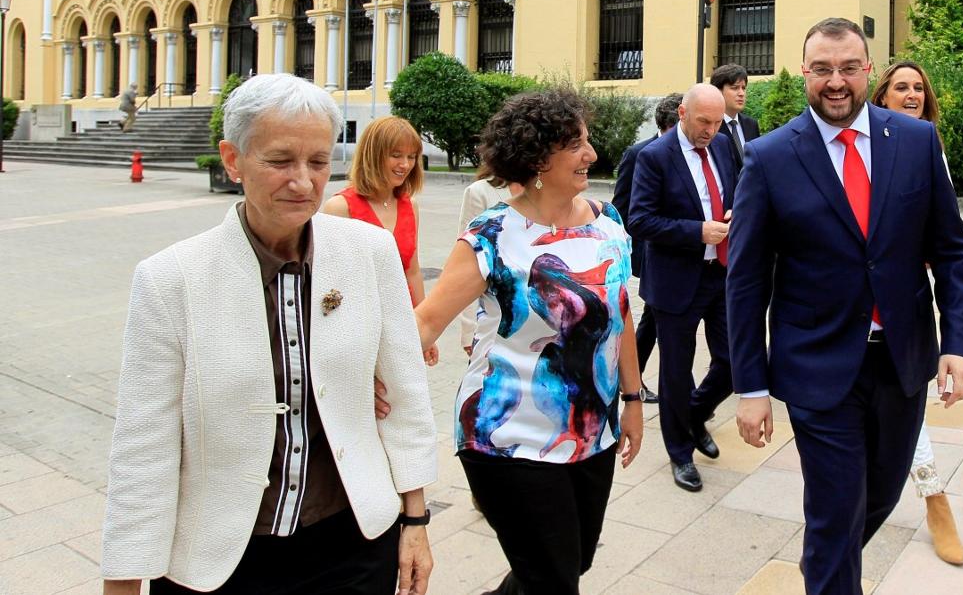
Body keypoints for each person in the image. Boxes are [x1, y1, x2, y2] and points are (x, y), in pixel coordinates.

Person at [101, 74, 439, 595]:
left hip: (351, 541)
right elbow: (144, 445)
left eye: (319, 162)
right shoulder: (172, 279)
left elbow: (406, 396)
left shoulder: (369, 253)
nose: (303, 182)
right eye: (280, 161)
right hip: (223, 559)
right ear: (233, 160)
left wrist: (415, 522)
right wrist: (123, 582)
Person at [728, 18, 963, 595]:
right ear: (803, 74)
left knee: (883, 494)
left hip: (902, 362)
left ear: (868, 70)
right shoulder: (769, 158)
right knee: (837, 509)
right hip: (817, 365)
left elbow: (954, 251)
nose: (835, 82)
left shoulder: (915, 143)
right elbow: (745, 284)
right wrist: (751, 387)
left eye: (847, 68)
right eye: (822, 69)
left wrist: (958, 345)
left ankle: (823, 567)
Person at [412, 88, 644, 595]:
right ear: (540, 159)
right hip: (506, 437)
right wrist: (366, 376)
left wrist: (632, 399)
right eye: (577, 145)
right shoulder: (493, 233)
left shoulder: (607, 220)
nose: (592, 155)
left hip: (591, 430)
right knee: (554, 580)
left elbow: (619, 312)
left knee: (573, 562)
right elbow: (426, 322)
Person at [869, 60, 963, 567]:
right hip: (857, 319)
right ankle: (934, 496)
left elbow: (948, 236)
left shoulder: (928, 146)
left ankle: (933, 501)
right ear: (881, 94)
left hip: (908, 310)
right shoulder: (865, 147)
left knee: (907, 408)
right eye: (901, 87)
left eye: (919, 88)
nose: (911, 94)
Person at [629, 84, 739, 493]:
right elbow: (639, 220)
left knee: (734, 361)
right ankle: (679, 453)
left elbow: (737, 189)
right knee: (676, 371)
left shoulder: (725, 146)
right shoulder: (654, 157)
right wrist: (698, 231)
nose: (711, 130)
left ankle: (695, 415)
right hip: (676, 281)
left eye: (716, 122)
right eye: (703, 121)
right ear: (682, 113)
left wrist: (734, 213)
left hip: (721, 273)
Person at [613, 91, 683, 404]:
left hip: (683, 250)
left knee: (655, 319)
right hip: (650, 252)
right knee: (653, 318)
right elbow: (622, 206)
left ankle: (633, 379)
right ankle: (633, 379)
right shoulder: (639, 153)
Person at [322, 116, 426, 305]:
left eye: (411, 157)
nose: (405, 165)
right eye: (396, 155)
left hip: (402, 313)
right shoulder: (339, 207)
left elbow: (413, 271)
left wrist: (422, 325)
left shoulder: (411, 205)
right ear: (373, 155)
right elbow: (327, 276)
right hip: (359, 318)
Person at [454, 171, 524, 355]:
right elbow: (467, 265)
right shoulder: (480, 192)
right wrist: (470, 329)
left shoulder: (545, 189)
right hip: (492, 320)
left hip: (532, 324)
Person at [711, 63, 761, 170]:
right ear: (718, 91)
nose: (741, 93)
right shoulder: (711, 126)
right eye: (735, 88)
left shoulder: (751, 124)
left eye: (743, 88)